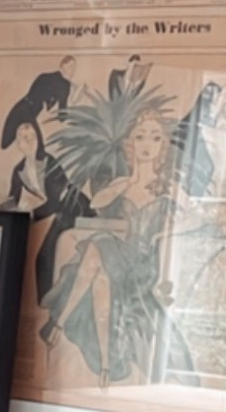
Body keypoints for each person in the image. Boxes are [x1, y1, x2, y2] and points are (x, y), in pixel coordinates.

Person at [37, 105, 199, 388]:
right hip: (120, 254)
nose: (147, 144)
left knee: (98, 250)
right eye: (140, 136)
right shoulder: (123, 183)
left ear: (162, 145)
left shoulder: (167, 186)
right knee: (100, 270)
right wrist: (124, 184)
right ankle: (105, 364)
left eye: (155, 137)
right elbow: (97, 202)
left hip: (142, 264)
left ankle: (58, 323)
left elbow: (198, 218)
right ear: (131, 143)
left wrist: (164, 234)